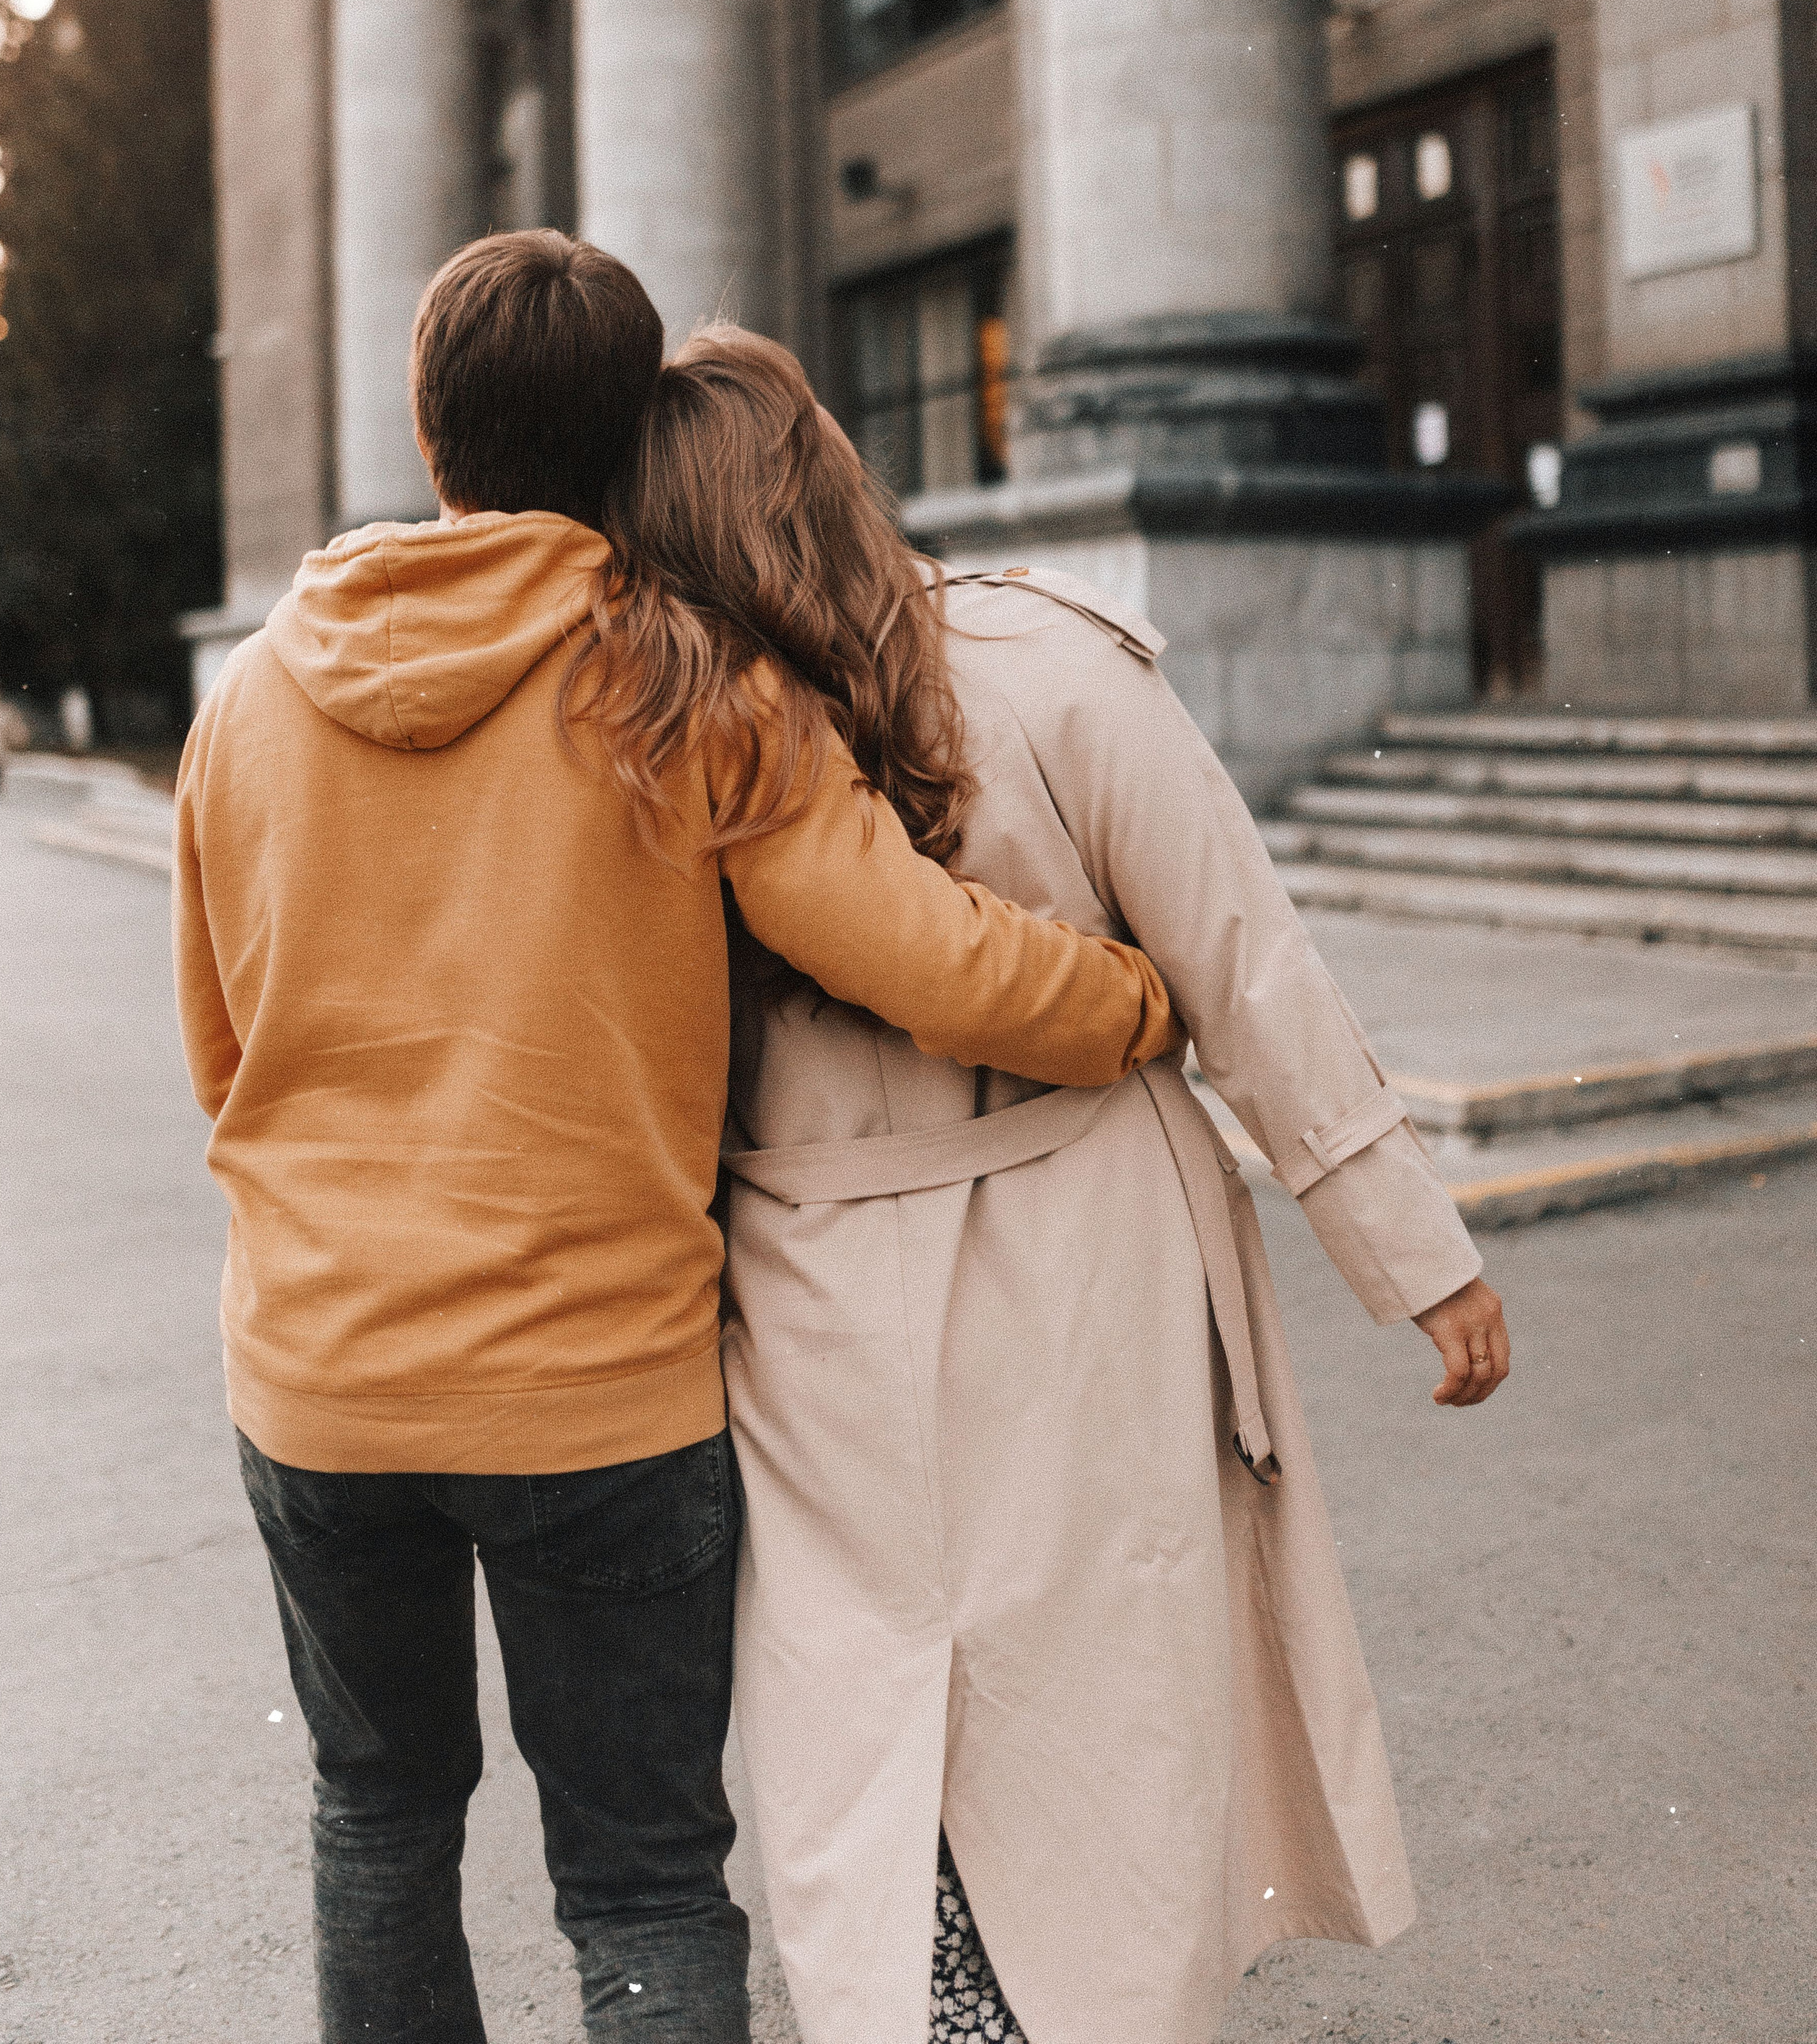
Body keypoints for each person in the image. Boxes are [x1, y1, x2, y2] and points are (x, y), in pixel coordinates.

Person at [171, 232, 1176, 2044]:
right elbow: (927, 961)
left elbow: (220, 1049)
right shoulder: (683, 682)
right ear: (630, 425)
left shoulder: (244, 701)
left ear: (428, 423)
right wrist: (1132, 998)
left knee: (376, 1817)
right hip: (597, 1396)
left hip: (316, 1380)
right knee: (636, 1878)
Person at [596, 327, 1512, 2044]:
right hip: (1082, 1253)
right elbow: (1243, 961)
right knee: (1102, 1711)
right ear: (826, 472)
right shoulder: (1042, 664)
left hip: (800, 1297)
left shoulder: (648, 742)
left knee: (857, 1701)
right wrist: (1414, 1254)